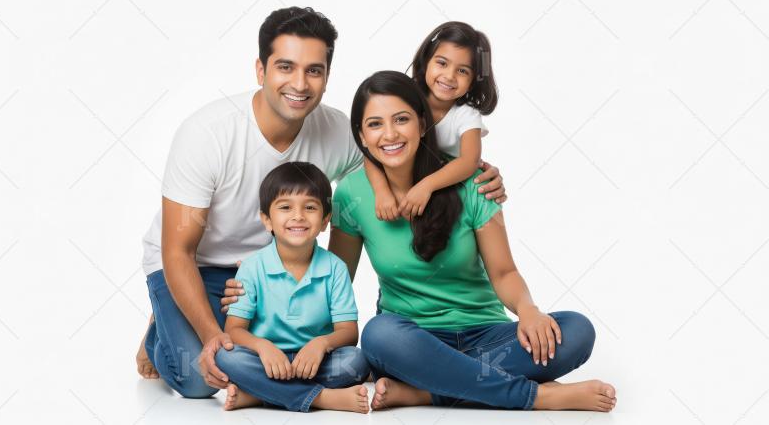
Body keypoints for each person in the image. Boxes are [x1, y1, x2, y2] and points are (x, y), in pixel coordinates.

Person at [136, 6, 508, 399]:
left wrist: (475, 172)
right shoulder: (207, 134)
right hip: (193, 262)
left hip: (273, 273)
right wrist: (211, 336)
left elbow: (388, 150)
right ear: (261, 71)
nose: (299, 83)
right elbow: (177, 250)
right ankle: (165, 325)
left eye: (313, 70)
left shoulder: (335, 130)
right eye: (285, 67)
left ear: (327, 78)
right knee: (199, 380)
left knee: (339, 365)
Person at [225, 71, 616, 412]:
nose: (390, 135)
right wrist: (259, 281)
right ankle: (537, 397)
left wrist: (529, 310)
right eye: (375, 125)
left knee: (576, 331)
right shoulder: (352, 194)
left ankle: (423, 395)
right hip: (410, 341)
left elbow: (504, 271)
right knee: (378, 336)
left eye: (401, 120)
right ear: (361, 136)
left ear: (423, 124)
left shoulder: (473, 183)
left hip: (487, 335)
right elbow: (333, 277)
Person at [214, 162, 370, 413]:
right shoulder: (252, 267)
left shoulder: (335, 268)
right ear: (267, 220)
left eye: (310, 208)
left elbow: (349, 332)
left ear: (324, 221)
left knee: (357, 361)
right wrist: (263, 347)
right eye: (285, 207)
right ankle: (321, 398)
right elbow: (234, 331)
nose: (298, 216)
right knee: (226, 356)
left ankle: (260, 394)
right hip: (264, 361)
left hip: (315, 363)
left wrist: (321, 344)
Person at [366, 21, 499, 221]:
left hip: (445, 191)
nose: (449, 76)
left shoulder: (466, 114)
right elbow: (370, 149)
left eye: (463, 71)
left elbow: (469, 161)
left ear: (474, 80)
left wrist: (427, 185)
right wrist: (382, 192)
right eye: (442, 63)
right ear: (427, 60)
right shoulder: (405, 96)